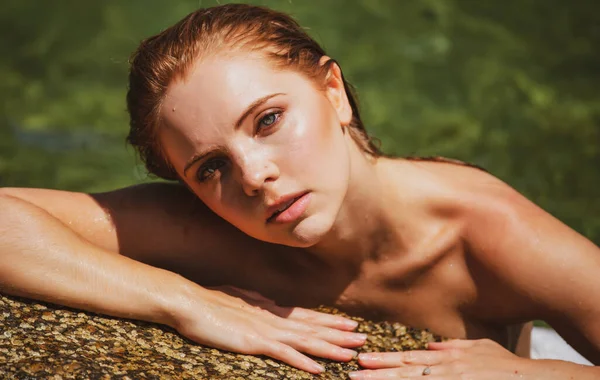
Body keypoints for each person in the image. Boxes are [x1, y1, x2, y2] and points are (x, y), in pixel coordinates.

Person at [1, 3, 598, 378]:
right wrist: (187, 303)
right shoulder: (204, 226)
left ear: (333, 90)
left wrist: (534, 375)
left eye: (267, 121)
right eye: (209, 167)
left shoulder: (481, 231)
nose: (253, 175)